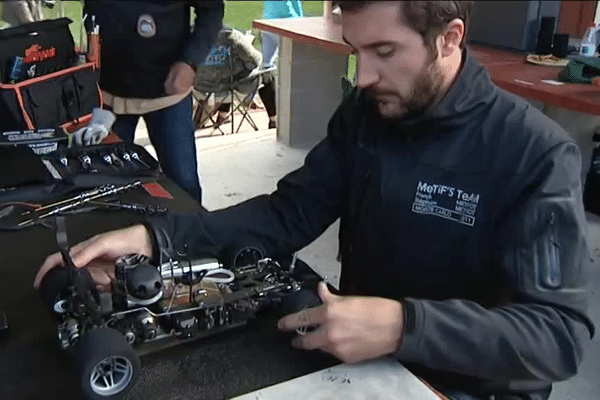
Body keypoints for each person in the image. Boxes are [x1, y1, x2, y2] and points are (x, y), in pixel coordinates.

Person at [34, 1, 594, 399]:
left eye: (383, 51)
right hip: (361, 354)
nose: (364, 76)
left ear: (450, 38)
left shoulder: (534, 155)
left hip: (462, 384)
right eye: (355, 50)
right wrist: (155, 241)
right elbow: (285, 215)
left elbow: (556, 338)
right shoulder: (368, 115)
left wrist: (405, 326)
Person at [81, 0, 224, 202]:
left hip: (168, 96)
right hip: (107, 95)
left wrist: (190, 61)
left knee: (183, 185)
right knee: (107, 186)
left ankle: (191, 231)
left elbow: (212, 8)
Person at [193, 25, 264, 131]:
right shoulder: (232, 36)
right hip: (227, 90)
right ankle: (274, 121)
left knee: (228, 73)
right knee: (266, 74)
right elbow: (255, 61)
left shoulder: (188, 35)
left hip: (198, 89)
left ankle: (223, 115)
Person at [259, 0, 304, 129]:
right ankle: (291, 114)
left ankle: (273, 117)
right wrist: (301, 21)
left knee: (266, 68)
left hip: (267, 23)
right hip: (285, 25)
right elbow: (291, 8)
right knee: (291, 68)